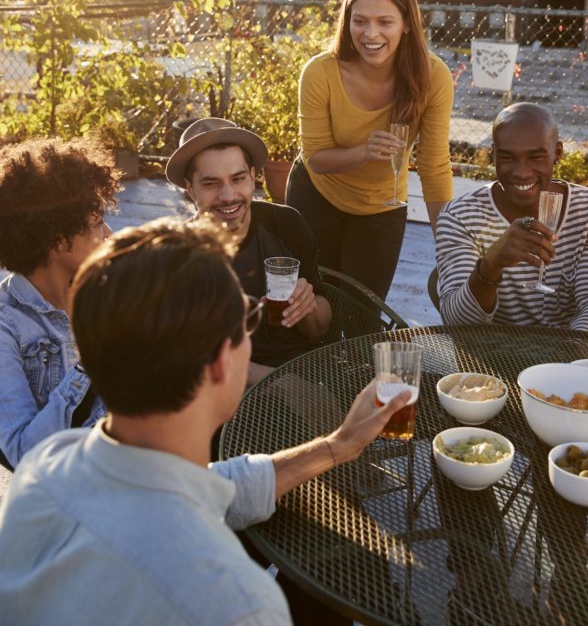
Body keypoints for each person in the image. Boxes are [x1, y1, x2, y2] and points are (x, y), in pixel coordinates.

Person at [0, 217, 411, 626]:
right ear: (218, 363)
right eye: (247, 316)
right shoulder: (238, 603)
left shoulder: (49, 466)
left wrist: (337, 445)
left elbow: (202, 488)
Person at [285, 0, 454, 301]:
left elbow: (434, 167)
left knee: (362, 315)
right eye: (359, 20)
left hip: (382, 206)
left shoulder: (433, 77)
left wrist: (449, 248)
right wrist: (364, 152)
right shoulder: (320, 72)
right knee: (313, 306)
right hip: (316, 196)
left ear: (406, 24)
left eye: (384, 22)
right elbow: (316, 157)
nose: (370, 33)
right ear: (347, 21)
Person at [166, 117, 331, 385]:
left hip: (304, 369)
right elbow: (198, 359)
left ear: (254, 176)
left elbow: (320, 330)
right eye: (211, 183)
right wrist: (283, 384)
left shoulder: (286, 224)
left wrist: (308, 306)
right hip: (225, 389)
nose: (228, 195)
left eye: (238, 178)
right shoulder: (178, 255)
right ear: (189, 188)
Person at [436, 103, 588, 331]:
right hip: (492, 355)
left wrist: (564, 362)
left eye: (535, 158)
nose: (522, 172)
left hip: (571, 354)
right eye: (508, 158)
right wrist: (490, 266)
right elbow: (456, 323)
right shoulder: (459, 217)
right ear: (494, 155)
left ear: (557, 153)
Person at [0, 138, 118, 469]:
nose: (108, 233)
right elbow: (25, 456)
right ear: (56, 238)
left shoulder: (108, 291)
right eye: (96, 223)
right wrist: (93, 360)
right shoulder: (6, 325)